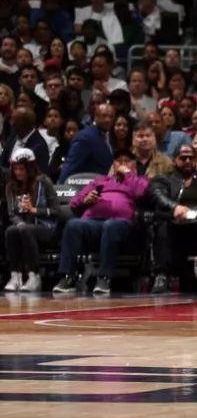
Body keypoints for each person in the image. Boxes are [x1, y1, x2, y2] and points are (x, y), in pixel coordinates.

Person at [52, 150, 148, 296]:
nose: (122, 163)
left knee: (110, 226)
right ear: (113, 165)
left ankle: (104, 278)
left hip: (121, 223)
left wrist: (128, 174)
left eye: (127, 161)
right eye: (119, 161)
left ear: (134, 165)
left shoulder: (139, 180)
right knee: (73, 224)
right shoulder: (101, 180)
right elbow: (74, 202)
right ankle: (68, 277)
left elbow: (141, 192)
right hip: (93, 221)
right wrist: (85, 200)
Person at [148, 143, 197, 293]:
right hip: (173, 219)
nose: (187, 161)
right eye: (183, 158)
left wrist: (192, 212)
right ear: (174, 160)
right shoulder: (163, 179)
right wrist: (175, 207)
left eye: (191, 158)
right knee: (162, 225)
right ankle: (162, 275)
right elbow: (158, 195)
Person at [2, 148, 60, 292]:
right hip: (24, 227)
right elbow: (12, 214)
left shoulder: (44, 182)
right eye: (15, 169)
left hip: (46, 227)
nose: (18, 173)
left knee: (25, 229)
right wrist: (20, 223)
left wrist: (35, 210)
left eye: (22, 169)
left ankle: (34, 276)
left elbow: (56, 211)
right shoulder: (10, 186)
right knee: (11, 230)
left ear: (30, 168)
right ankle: (15, 275)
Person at [59, 103, 116, 182]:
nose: (108, 120)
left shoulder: (109, 137)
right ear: (96, 117)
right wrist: (61, 187)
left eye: (111, 117)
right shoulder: (85, 137)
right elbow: (70, 166)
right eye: (104, 116)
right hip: (87, 186)